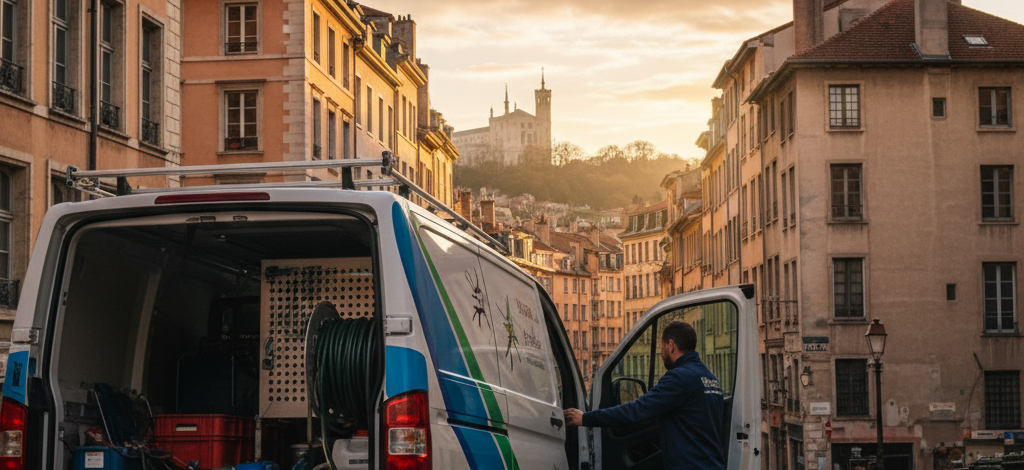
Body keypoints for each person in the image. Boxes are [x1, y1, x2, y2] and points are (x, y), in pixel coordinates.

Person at [563, 320, 725, 470]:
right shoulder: (710, 379)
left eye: (661, 348)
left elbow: (636, 410)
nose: (661, 353)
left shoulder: (679, 378)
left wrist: (586, 418)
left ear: (671, 345)